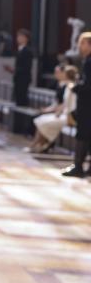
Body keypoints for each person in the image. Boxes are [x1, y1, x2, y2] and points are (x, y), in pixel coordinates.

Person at [27, 65, 78, 153]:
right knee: (41, 119)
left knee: (43, 121)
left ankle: (39, 145)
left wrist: (57, 111)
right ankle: (40, 145)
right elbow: (61, 103)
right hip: (63, 113)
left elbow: (68, 105)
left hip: (68, 116)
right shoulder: (67, 87)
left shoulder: (71, 87)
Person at [63, 32, 91, 178]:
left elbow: (88, 86)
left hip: (87, 106)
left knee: (82, 135)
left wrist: (75, 87)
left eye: (82, 43)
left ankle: (78, 167)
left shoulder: (89, 62)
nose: (80, 46)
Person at [4, 29, 33, 107]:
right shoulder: (19, 50)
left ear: (26, 38)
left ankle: (22, 118)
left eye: (20, 36)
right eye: (18, 36)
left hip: (23, 79)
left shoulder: (27, 51)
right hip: (18, 78)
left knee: (22, 99)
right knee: (18, 99)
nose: (18, 38)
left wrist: (14, 70)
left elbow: (26, 67)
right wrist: (12, 70)